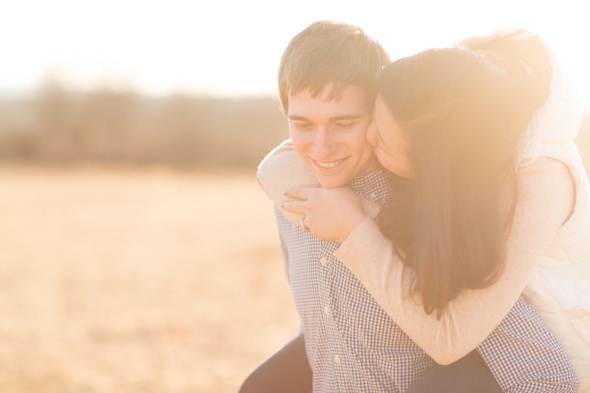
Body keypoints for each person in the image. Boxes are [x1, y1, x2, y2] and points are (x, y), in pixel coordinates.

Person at [258, 27, 588, 391]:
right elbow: (320, 325)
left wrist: (362, 225)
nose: (321, 149)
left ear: (379, 113)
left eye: (345, 123)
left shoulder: (436, 219)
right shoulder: (295, 195)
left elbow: (543, 374)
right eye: (302, 124)